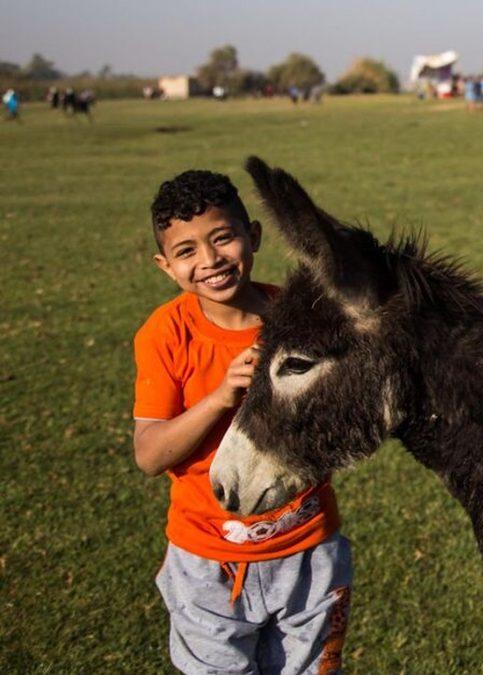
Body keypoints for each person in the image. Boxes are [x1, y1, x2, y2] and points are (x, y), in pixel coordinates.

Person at [133, 170, 352, 672]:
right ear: (166, 266)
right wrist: (219, 398)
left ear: (253, 235)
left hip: (308, 551)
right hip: (207, 561)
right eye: (186, 251)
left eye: (222, 238)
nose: (210, 260)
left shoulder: (297, 320)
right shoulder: (166, 334)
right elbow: (149, 455)